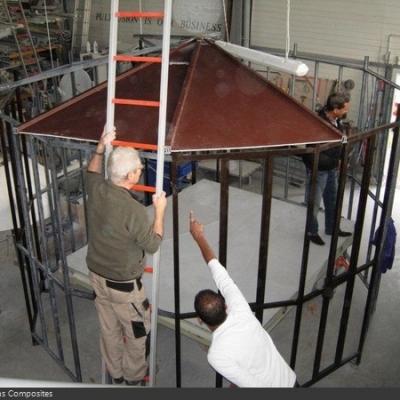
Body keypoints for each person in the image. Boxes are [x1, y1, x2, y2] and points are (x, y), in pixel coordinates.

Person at [86, 128, 167, 385]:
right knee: (136, 334)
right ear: (130, 175)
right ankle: (133, 379)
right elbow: (153, 244)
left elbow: (91, 172)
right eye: (139, 169)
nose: (141, 171)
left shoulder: (97, 189)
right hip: (123, 286)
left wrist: (100, 147)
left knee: (109, 330)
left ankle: (116, 376)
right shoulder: (133, 211)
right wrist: (160, 212)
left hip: (97, 278)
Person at [189, 212, 297, 387]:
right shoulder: (239, 307)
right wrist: (199, 235)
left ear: (200, 320)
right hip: (290, 380)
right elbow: (217, 270)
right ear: (225, 306)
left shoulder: (217, 355)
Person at [302, 92, 352, 245]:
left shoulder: (336, 120)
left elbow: (339, 142)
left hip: (331, 168)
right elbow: (311, 148)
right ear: (336, 108)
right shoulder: (318, 122)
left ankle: (331, 228)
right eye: (345, 108)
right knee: (314, 203)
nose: (346, 111)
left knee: (332, 200)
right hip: (319, 168)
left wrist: (340, 159)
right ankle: (312, 232)